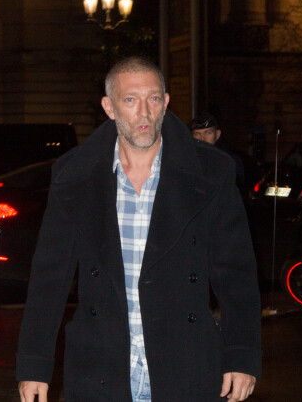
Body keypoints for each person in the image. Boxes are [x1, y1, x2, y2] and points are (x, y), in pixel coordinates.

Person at [17, 57, 261, 402]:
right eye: (130, 100)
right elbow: (48, 277)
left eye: (154, 99)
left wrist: (242, 355)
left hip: (186, 362)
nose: (144, 113)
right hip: (100, 365)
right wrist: (34, 365)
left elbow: (236, 273)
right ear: (109, 107)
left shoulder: (211, 171)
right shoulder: (74, 175)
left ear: (166, 102)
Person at [189, 111, 245, 189]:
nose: (202, 139)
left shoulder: (228, 160)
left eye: (208, 133)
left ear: (217, 135)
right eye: (197, 134)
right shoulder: (187, 160)